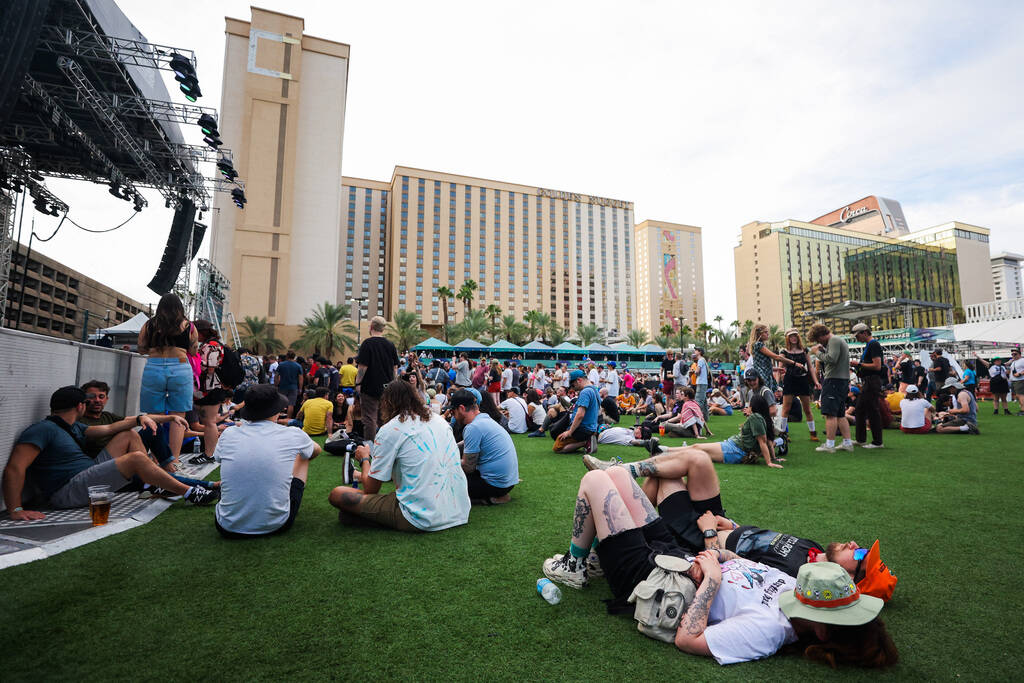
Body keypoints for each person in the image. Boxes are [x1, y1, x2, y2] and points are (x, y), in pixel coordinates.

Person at [540, 468, 896, 667]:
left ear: (821, 632)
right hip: (681, 557)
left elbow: (687, 638)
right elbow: (746, 566)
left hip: (654, 581)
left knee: (594, 482)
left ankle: (575, 566)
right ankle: (591, 558)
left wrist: (710, 580)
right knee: (616, 474)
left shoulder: (768, 631)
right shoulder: (797, 592)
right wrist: (718, 558)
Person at [582, 446, 898, 602]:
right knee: (699, 460)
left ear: (848, 579)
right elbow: (761, 537)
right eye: (863, 548)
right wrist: (728, 523)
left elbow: (734, 572)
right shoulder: (815, 549)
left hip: (701, 540)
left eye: (860, 557)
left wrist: (708, 531)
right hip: (723, 525)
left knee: (665, 477)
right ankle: (622, 477)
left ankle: (608, 541)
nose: (856, 546)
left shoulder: (798, 578)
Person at [3, 387, 217, 520]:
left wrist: (145, 419)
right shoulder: (42, 429)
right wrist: (15, 509)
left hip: (86, 475)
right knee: (137, 458)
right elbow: (15, 467)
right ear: (80, 406)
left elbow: (110, 429)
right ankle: (190, 493)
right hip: (67, 490)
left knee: (127, 435)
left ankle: (154, 483)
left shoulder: (73, 427)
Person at [328, 380, 470, 532]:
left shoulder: (390, 429)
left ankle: (364, 514)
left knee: (338, 494)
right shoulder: (439, 421)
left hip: (421, 517)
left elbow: (371, 489)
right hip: (459, 511)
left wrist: (364, 458)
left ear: (387, 402)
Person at [214, 384, 321, 537]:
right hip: (276, 524)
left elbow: (218, 458)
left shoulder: (229, 433)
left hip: (226, 526)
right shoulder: (293, 434)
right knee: (303, 456)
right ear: (277, 410)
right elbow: (316, 450)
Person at [136, 292, 196, 469]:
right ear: (180, 307)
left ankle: (158, 460)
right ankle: (175, 460)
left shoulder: (149, 324)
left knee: (155, 416)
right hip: (180, 366)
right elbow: (193, 351)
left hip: (154, 367)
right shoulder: (188, 326)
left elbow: (141, 348)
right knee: (179, 416)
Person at [451, 389, 519, 505]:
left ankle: (488, 499)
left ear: (461, 408)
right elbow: (466, 442)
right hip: (508, 483)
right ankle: (496, 496)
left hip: (494, 485)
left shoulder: (473, 427)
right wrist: (450, 447)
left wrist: (447, 461)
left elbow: (468, 467)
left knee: (447, 480)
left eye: (453, 412)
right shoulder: (484, 419)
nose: (454, 417)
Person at [809, 324, 854, 453]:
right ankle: (847, 442)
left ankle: (830, 445)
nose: (818, 342)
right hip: (842, 381)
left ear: (822, 335)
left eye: (818, 339)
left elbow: (831, 359)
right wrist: (823, 350)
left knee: (830, 414)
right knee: (840, 414)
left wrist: (816, 352)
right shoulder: (838, 340)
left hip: (833, 380)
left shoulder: (833, 340)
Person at [355, 316, 400, 441]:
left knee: (369, 419)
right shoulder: (390, 345)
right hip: (387, 387)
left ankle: (370, 448)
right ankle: (386, 445)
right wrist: (394, 385)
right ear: (383, 329)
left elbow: (362, 367)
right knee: (385, 418)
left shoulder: (367, 344)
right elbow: (395, 368)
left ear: (371, 327)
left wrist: (358, 383)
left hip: (369, 387)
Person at [194, 319, 233, 459]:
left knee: (209, 422)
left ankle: (209, 454)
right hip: (211, 387)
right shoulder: (211, 344)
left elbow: (209, 369)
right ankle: (209, 453)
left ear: (201, 332)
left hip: (210, 388)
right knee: (209, 422)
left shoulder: (211, 346)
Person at [779, 329, 819, 441]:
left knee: (807, 409)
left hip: (802, 380)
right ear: (787, 338)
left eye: (795, 336)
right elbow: (780, 368)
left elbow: (810, 367)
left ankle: (813, 433)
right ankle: (783, 434)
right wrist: (778, 383)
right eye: (791, 336)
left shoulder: (804, 350)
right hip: (789, 380)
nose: (793, 338)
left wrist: (816, 381)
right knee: (785, 409)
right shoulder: (784, 352)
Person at [850, 323, 885, 449]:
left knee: (872, 410)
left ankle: (877, 442)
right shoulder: (870, 345)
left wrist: (859, 364)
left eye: (857, 335)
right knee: (860, 409)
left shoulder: (873, 344)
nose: (856, 338)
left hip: (872, 381)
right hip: (869, 381)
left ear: (864, 332)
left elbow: (877, 366)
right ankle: (861, 439)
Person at [553, 370, 600, 454]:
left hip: (583, 428)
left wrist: (570, 432)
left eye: (572, 384)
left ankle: (585, 442)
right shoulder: (594, 389)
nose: (572, 387)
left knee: (557, 447)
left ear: (579, 380)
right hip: (592, 427)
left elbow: (580, 415)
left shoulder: (585, 392)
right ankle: (587, 441)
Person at [749, 323, 800, 391]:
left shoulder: (757, 345)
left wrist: (777, 369)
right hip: (763, 376)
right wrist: (794, 363)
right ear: (759, 334)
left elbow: (762, 365)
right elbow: (776, 357)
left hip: (764, 375)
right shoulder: (759, 345)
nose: (768, 334)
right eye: (765, 332)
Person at [274, 350, 304, 418]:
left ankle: (279, 418)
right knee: (291, 404)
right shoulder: (298, 366)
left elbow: (276, 375)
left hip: (282, 386)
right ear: (294, 357)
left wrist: (276, 384)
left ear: (287, 356)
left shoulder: (281, 364)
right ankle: (288, 419)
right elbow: (300, 378)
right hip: (293, 387)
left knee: (281, 402)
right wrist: (300, 388)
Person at [690, 348, 710, 421]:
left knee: (698, 401)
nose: (695, 351)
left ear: (700, 352)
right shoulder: (702, 360)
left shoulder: (700, 360)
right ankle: (705, 418)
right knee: (704, 402)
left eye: (696, 350)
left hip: (701, 383)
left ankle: (695, 418)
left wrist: (693, 372)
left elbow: (698, 371)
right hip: (703, 383)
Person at [1010, 348, 1024, 415]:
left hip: (1020, 380)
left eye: (1015, 354)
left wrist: (1020, 374)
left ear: (1019, 354)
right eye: (1012, 354)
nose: (1013, 355)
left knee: (1020, 395)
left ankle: (1023, 410)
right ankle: (1022, 409)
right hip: (1015, 380)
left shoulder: (1022, 360)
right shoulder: (1013, 362)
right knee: (1018, 395)